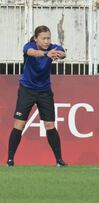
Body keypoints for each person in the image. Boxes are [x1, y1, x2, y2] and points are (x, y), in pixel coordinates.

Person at [6, 25, 67, 167]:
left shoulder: (53, 47)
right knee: (19, 125)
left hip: (44, 91)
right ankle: (10, 160)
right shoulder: (29, 46)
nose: (46, 41)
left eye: (48, 38)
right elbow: (32, 52)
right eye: (43, 38)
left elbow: (62, 53)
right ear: (36, 38)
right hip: (27, 90)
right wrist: (46, 54)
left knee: (50, 125)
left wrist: (60, 54)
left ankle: (59, 160)